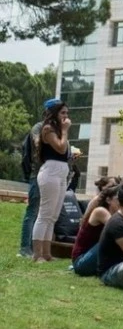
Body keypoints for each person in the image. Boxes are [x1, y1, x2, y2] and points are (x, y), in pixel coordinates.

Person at [32, 100, 72, 262]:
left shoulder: (58, 129)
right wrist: (65, 130)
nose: (66, 116)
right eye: (63, 113)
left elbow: (64, 152)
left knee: (53, 216)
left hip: (61, 172)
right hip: (50, 172)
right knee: (45, 214)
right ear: (54, 113)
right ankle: (37, 254)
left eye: (67, 113)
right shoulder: (48, 129)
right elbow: (60, 148)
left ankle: (47, 253)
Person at [18, 100, 54, 257]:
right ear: (47, 114)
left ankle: (37, 249)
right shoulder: (38, 128)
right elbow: (38, 143)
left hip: (51, 177)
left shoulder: (57, 132)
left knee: (43, 213)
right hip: (38, 176)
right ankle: (25, 248)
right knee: (32, 211)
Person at [72, 186, 119, 276]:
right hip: (81, 262)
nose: (122, 202)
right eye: (118, 199)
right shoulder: (100, 211)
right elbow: (119, 229)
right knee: (113, 239)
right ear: (108, 200)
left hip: (93, 258)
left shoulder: (116, 215)